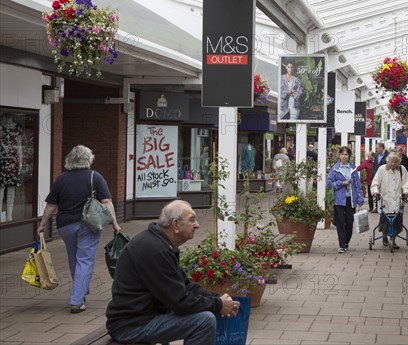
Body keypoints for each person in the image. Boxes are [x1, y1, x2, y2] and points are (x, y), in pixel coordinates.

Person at [106, 200, 240, 345]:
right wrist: (218, 305)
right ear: (176, 225)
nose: (197, 225)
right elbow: (180, 303)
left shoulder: (161, 243)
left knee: (203, 314)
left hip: (145, 316)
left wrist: (218, 299)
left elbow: (186, 286)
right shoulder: (154, 249)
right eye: (192, 220)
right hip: (130, 326)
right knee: (204, 321)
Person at [37, 145, 121, 313]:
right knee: (85, 260)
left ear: (70, 160)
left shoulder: (61, 179)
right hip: (88, 225)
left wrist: (42, 224)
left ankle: (80, 291)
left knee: (74, 259)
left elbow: (51, 205)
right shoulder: (94, 177)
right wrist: (115, 223)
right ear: (88, 159)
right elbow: (107, 202)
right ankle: (76, 300)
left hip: (65, 226)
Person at [327, 146, 364, 253]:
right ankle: (342, 245)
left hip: (350, 200)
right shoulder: (335, 169)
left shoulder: (353, 169)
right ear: (339, 155)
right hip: (339, 200)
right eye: (342, 154)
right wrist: (341, 183)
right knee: (340, 223)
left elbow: (358, 185)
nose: (344, 156)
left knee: (349, 222)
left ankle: (346, 241)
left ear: (349, 156)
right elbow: (329, 184)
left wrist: (360, 199)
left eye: (346, 154)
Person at [370, 151, 408, 249]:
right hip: (385, 199)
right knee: (385, 219)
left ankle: (393, 239)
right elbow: (375, 183)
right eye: (391, 162)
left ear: (399, 162)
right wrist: (375, 191)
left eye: (395, 162)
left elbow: (406, 183)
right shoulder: (382, 169)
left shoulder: (402, 169)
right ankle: (384, 237)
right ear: (387, 161)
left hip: (398, 199)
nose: (393, 164)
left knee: (397, 221)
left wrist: (406, 191)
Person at [0, 114, 22, 222]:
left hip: (13, 161)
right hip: (2, 160)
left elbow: (19, 145)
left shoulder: (17, 127)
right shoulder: (0, 127)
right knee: (1, 188)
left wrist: (20, 162)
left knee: (11, 189)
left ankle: (9, 216)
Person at [371, 143, 389, 212]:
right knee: (376, 191)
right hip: (376, 175)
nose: (376, 150)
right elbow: (375, 165)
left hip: (384, 177)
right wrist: (373, 172)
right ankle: (377, 206)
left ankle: (384, 206)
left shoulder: (388, 155)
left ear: (381, 148)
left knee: (383, 192)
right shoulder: (376, 155)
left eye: (377, 148)